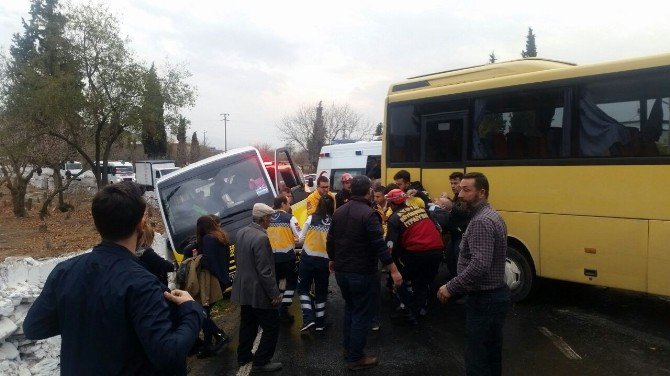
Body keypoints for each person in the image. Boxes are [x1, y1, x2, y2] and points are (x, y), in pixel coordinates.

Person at [23, 182, 203, 375]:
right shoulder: (142, 284)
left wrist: (84, 318)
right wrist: (191, 310)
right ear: (140, 225)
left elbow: (34, 327)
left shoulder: (64, 271)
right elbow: (168, 354)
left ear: (98, 224)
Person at [437, 172, 510, 376]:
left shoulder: (481, 221)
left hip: (485, 300)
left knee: (477, 359)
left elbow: (480, 265)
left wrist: (451, 287)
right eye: (459, 189)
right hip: (493, 298)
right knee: (490, 355)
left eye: (466, 190)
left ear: (482, 192)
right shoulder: (491, 215)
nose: (460, 194)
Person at [327, 175, 403, 371]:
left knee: (351, 309)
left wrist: (333, 259)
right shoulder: (369, 214)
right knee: (361, 312)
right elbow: (379, 245)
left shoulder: (339, 212)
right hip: (361, 272)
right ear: (369, 191)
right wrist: (393, 270)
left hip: (342, 271)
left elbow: (330, 240)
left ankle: (348, 349)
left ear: (352, 190)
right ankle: (355, 357)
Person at [231, 203, 283, 373]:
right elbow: (265, 270)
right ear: (263, 219)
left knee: (248, 323)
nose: (270, 221)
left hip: (243, 287)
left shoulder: (241, 232)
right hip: (258, 290)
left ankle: (244, 355)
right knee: (272, 325)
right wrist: (274, 293)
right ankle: (262, 360)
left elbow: (239, 259)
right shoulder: (261, 238)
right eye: (269, 218)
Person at [385, 189, 444, 324]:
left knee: (400, 278)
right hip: (437, 251)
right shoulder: (422, 210)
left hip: (417, 254)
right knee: (423, 282)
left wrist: (390, 265)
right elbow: (438, 228)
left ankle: (408, 310)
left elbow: (389, 245)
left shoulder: (394, 218)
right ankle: (420, 307)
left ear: (393, 204)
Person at [195, 215, 233, 358]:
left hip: (212, 281)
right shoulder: (220, 237)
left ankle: (219, 335)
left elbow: (208, 261)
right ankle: (208, 344)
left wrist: (197, 257)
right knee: (205, 311)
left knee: (201, 313)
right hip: (222, 278)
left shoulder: (207, 240)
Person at [297, 194, 335, 332]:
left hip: (307, 259)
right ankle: (320, 323)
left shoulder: (311, 218)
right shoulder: (334, 221)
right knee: (321, 291)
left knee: (302, 288)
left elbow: (300, 239)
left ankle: (308, 319)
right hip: (324, 261)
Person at [268, 195, 301, 322]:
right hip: (287, 257)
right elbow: (300, 235)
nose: (289, 206)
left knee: (276, 285)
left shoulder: (268, 218)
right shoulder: (290, 218)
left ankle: (275, 310)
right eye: (288, 203)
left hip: (272, 258)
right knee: (291, 283)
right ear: (282, 204)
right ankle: (284, 309)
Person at [136, 217, 175, 287]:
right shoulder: (147, 254)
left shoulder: (133, 254)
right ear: (148, 239)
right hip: (157, 288)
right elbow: (168, 266)